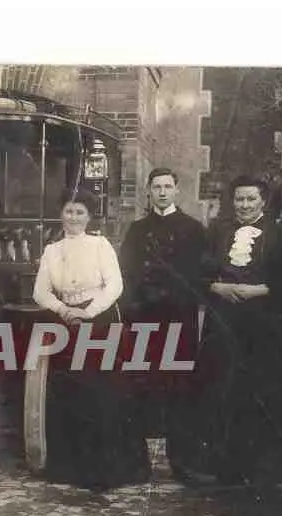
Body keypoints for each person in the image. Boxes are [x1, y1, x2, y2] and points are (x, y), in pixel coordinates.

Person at [32, 188, 150, 491]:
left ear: (89, 217)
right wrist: (63, 309)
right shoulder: (52, 251)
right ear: (61, 214)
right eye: (69, 211)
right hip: (66, 322)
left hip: (99, 321)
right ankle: (71, 469)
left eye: (80, 212)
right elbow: (40, 292)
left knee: (103, 392)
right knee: (71, 392)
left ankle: (107, 469)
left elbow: (115, 285)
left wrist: (89, 312)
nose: (73, 217)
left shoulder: (100, 245)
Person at [198, 175, 282, 489]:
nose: (244, 205)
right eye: (239, 199)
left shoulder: (281, 235)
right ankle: (229, 468)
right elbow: (200, 272)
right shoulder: (217, 233)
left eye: (250, 199)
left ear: (263, 201)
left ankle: (275, 470)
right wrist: (218, 287)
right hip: (226, 322)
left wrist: (258, 290)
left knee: (268, 390)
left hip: (266, 324)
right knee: (226, 389)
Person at [119, 167, 209, 482]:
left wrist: (170, 296)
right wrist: (137, 302)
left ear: (176, 191)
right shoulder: (136, 230)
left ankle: (183, 463)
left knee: (179, 388)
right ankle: (136, 464)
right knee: (139, 386)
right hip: (143, 319)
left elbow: (199, 276)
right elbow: (126, 272)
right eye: (156, 187)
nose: (161, 192)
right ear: (148, 190)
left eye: (167, 187)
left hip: (178, 320)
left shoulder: (193, 229)